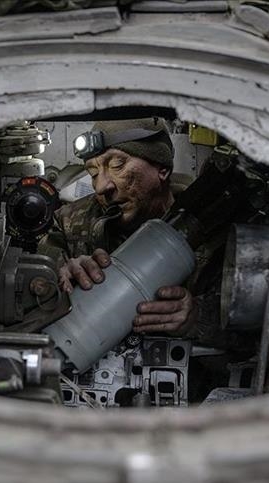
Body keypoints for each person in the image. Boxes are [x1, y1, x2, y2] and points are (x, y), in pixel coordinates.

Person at [39, 118, 210, 338]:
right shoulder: (68, 222)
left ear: (162, 168)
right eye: (93, 173)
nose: (101, 187)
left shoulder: (208, 227)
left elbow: (247, 326)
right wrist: (59, 278)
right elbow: (32, 290)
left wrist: (197, 317)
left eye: (117, 165)